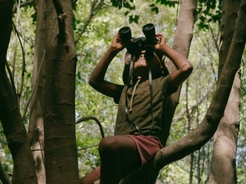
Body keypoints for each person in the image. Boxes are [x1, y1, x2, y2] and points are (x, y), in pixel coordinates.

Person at [80, 30, 193, 184]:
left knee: (108, 143)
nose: (142, 54)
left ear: (160, 66)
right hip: (122, 153)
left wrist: (162, 48)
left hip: (145, 144)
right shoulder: (124, 90)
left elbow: (186, 68)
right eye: (137, 54)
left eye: (148, 54)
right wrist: (113, 50)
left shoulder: (161, 84)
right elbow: (95, 81)